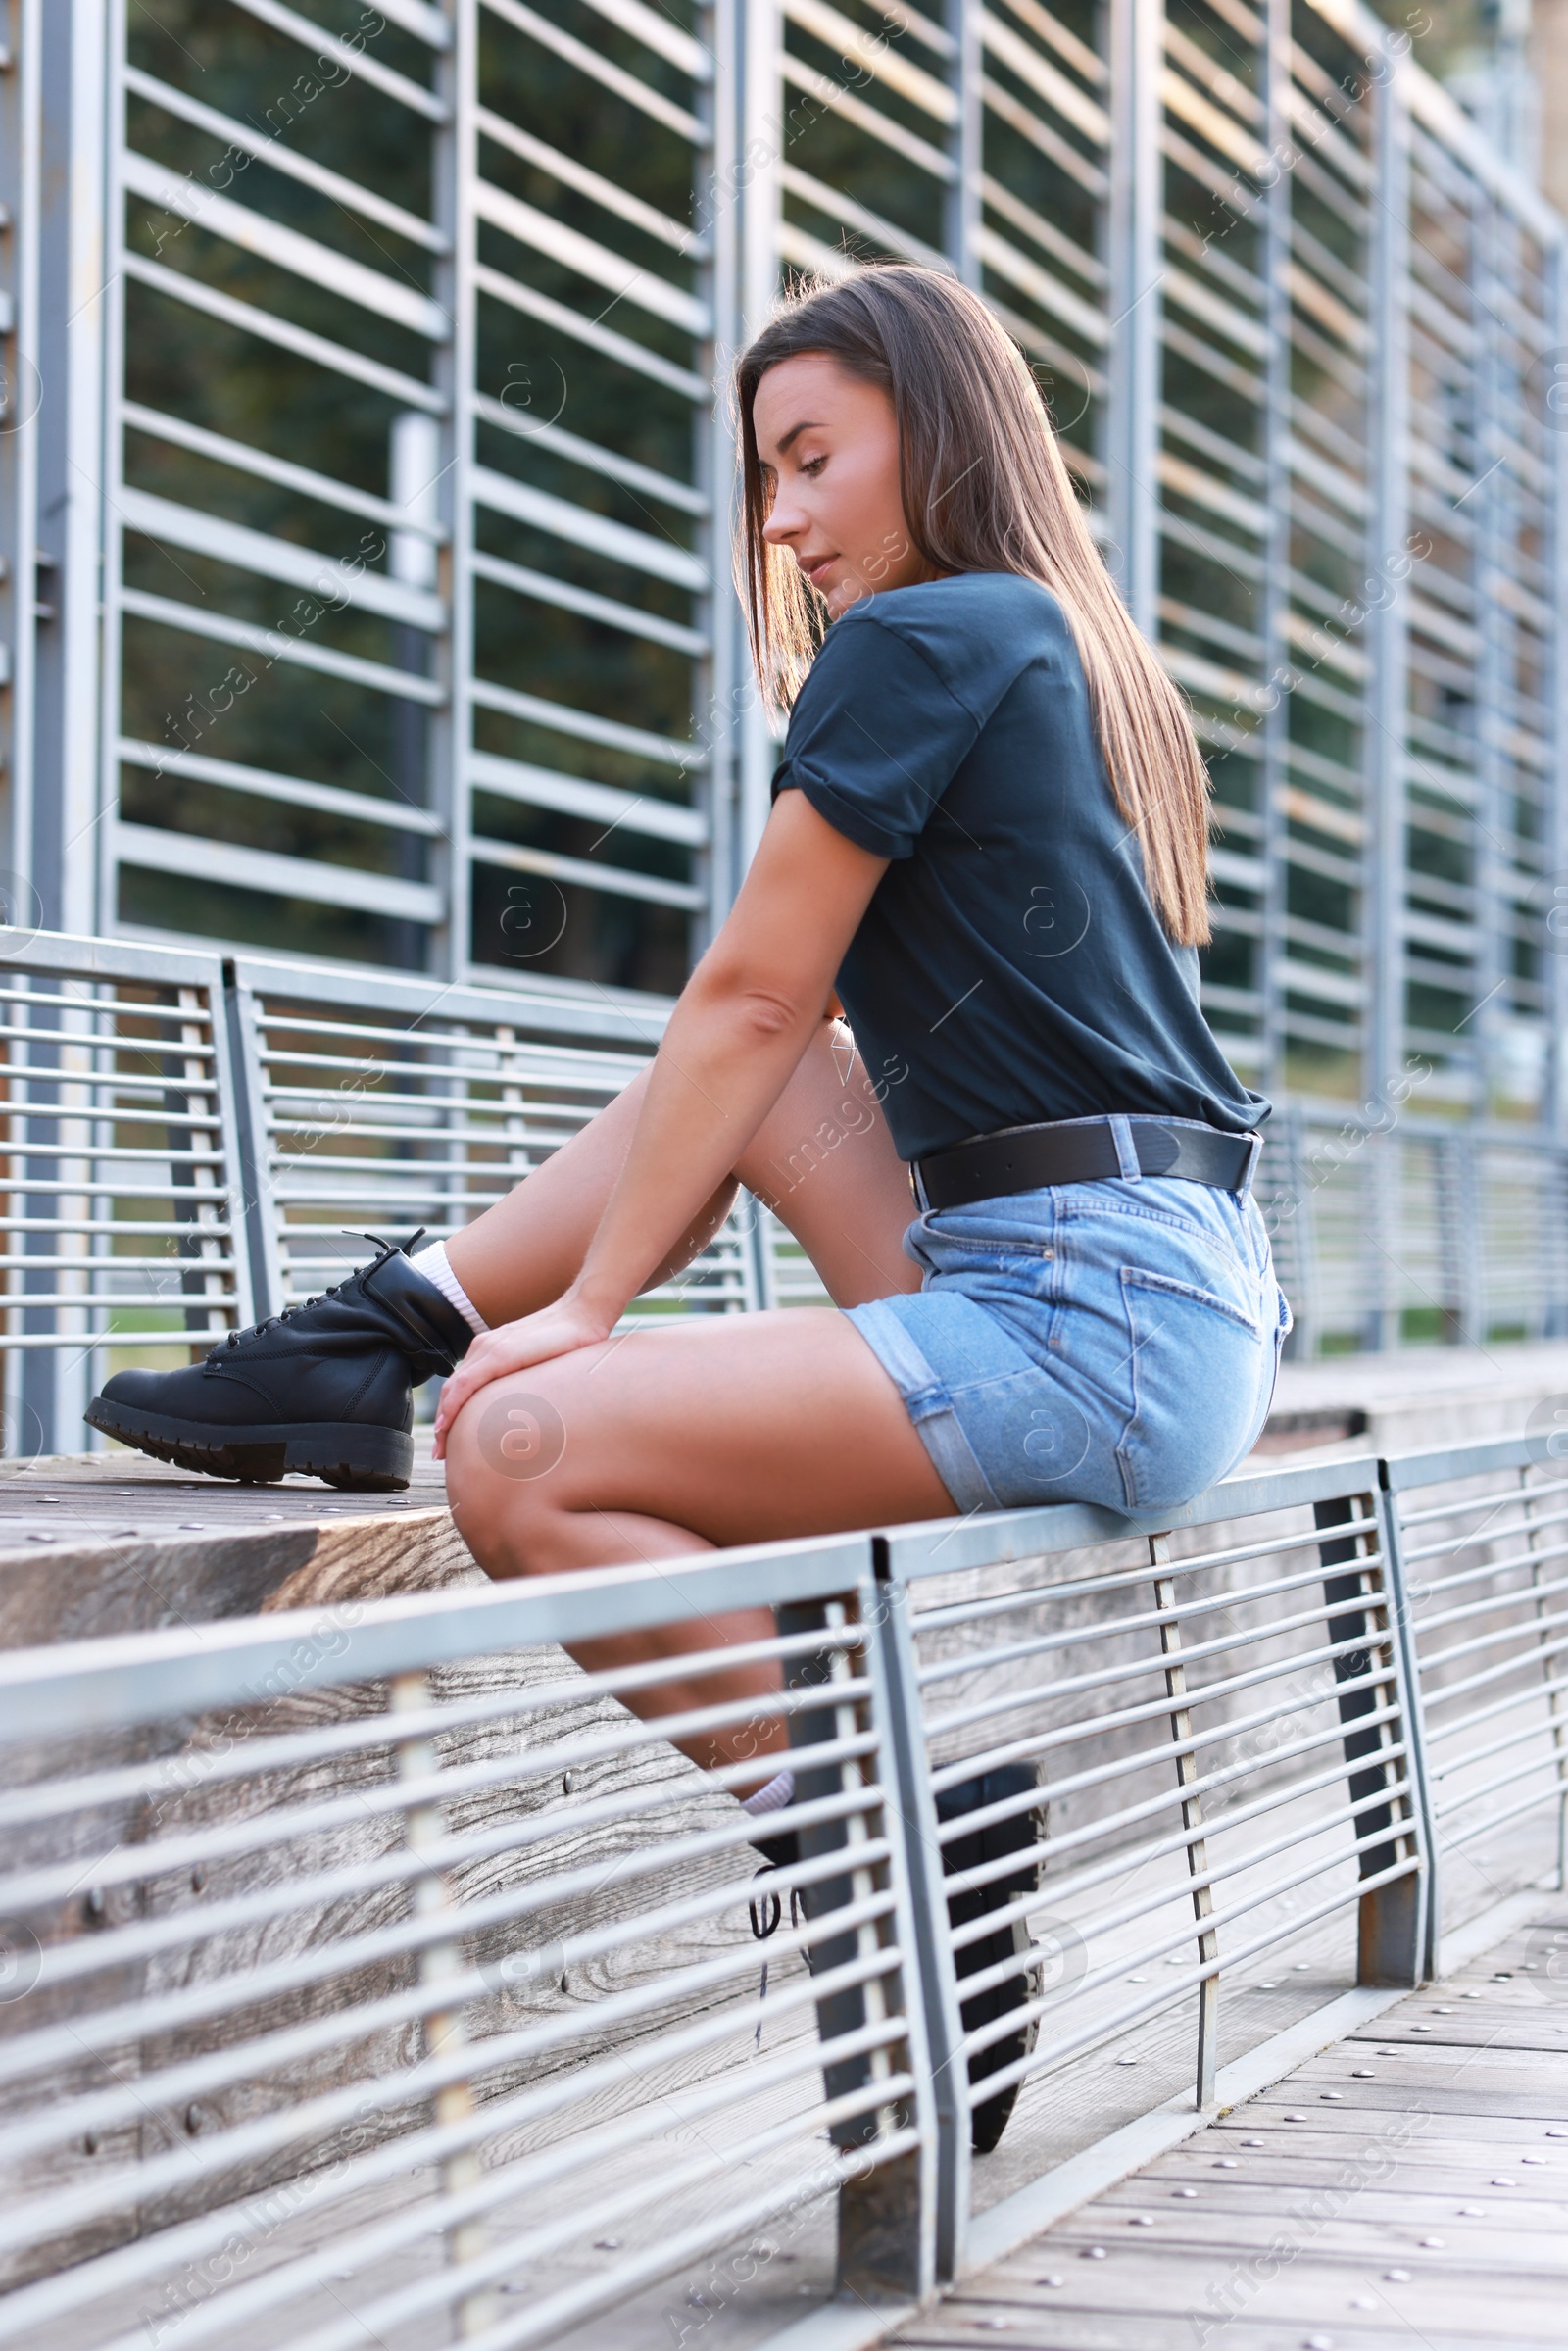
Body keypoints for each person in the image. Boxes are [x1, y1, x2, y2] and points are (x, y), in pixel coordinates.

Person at [87, 265, 1289, 2150]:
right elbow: (776, 1049)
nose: (785, 521)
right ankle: (369, 1333)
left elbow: (747, 989)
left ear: (941, 432)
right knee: (781, 1094)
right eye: (766, 481)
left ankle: (894, 1833)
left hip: (1086, 1309)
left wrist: (579, 1319)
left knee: (526, 1453)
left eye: (814, 462)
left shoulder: (930, 634)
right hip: (1162, 1279)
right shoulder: (1054, 635)